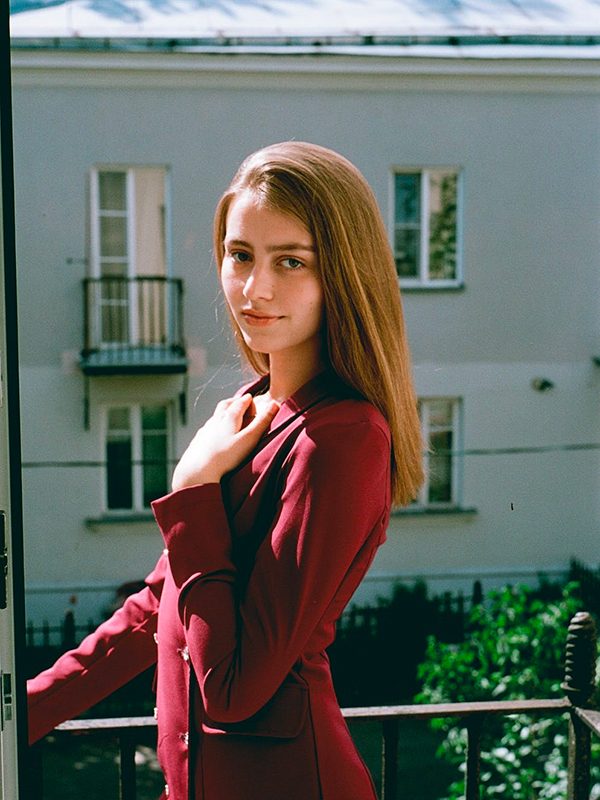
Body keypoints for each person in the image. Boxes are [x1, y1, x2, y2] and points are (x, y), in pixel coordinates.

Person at [27, 141, 424, 799]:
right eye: (240, 255)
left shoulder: (342, 438)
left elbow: (234, 688)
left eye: (290, 261)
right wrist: (24, 711)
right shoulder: (247, 411)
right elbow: (159, 608)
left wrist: (192, 490)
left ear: (343, 274)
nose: (254, 288)